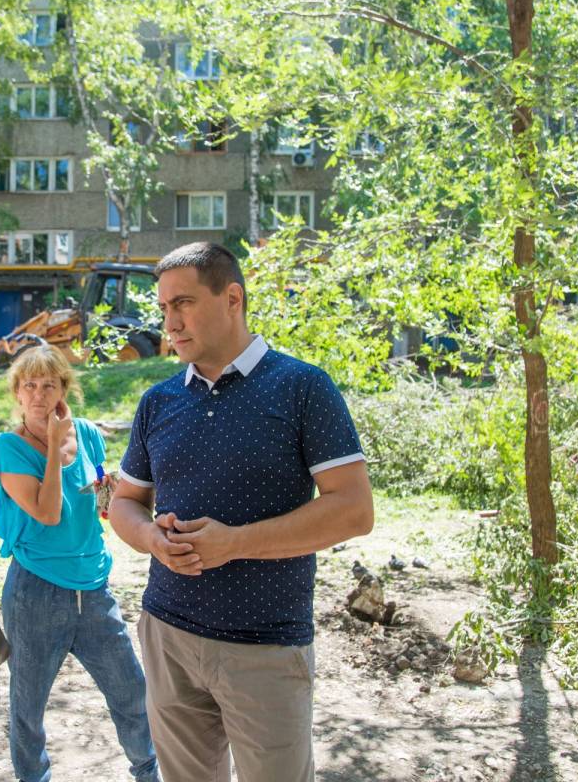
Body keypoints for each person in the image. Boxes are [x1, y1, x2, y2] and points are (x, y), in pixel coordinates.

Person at [108, 242, 375, 782]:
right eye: (163, 309)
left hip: (266, 647)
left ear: (232, 297)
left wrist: (235, 542)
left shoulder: (302, 387)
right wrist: (151, 540)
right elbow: (124, 505)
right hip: (167, 637)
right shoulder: (158, 401)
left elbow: (353, 511)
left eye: (182, 303)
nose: (171, 322)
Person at [0, 344, 160, 782]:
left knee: (132, 693)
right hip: (36, 592)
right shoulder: (8, 447)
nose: (40, 394)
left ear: (65, 388)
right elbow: (47, 513)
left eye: (50, 384)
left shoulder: (85, 432)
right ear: (17, 393)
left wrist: (121, 495)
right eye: (30, 385)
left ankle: (149, 774)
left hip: (94, 587)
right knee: (28, 708)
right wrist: (51, 448)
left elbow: (102, 496)